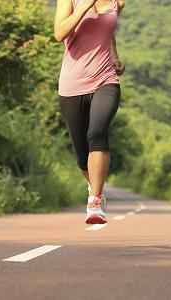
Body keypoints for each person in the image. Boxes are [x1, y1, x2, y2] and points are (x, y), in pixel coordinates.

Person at [54, 0, 125, 224]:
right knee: (82, 157)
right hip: (72, 85)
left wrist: (113, 55)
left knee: (97, 133)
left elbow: (107, 32)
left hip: (106, 81)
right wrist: (84, 7)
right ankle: (96, 189)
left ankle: (94, 201)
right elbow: (59, 33)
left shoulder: (117, 2)